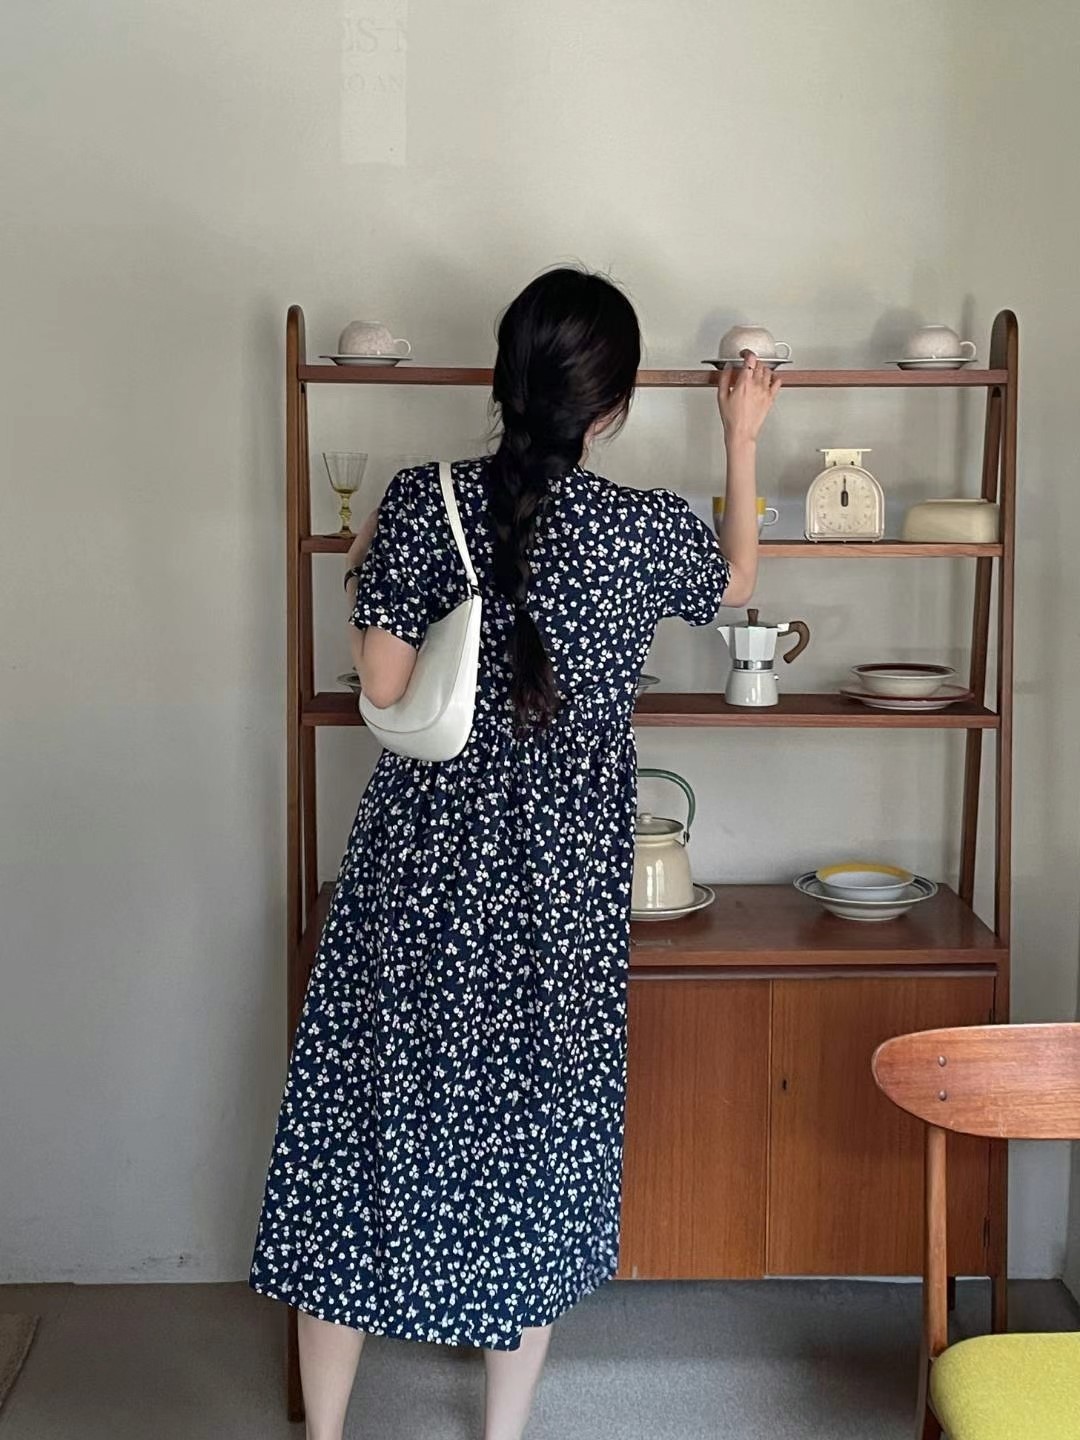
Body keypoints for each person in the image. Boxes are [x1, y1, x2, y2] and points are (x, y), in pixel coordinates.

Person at [249, 267, 780, 1440]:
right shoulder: (643, 528)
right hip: (560, 893)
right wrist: (740, 433)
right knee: (532, 1155)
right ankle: (500, 1433)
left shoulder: (418, 497)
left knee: (361, 1143)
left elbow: (384, 685)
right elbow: (738, 581)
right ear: (614, 406)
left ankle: (324, 1433)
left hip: (419, 877)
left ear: (503, 377)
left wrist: (363, 570)